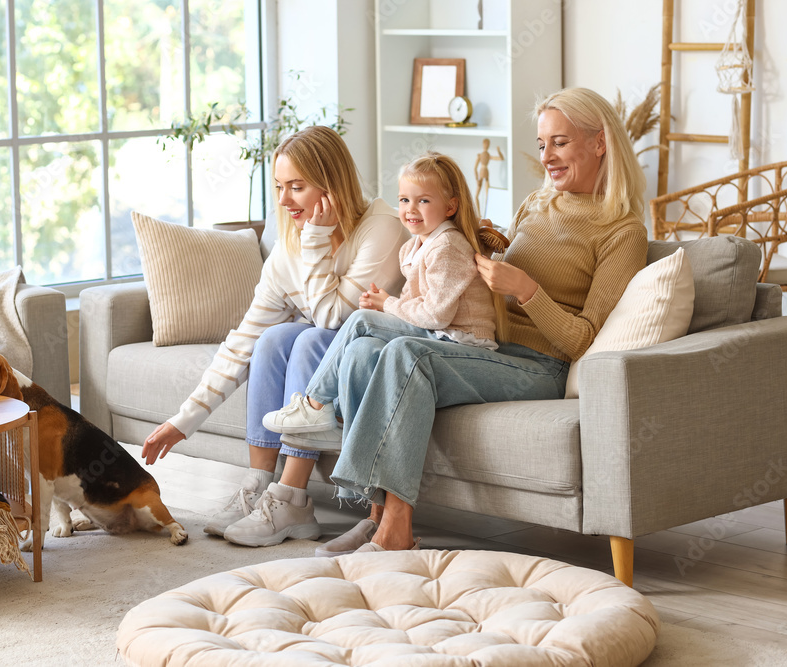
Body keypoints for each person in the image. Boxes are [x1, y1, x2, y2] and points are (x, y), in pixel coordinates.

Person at [262, 87, 649, 555]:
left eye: (560, 142)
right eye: (543, 143)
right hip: (484, 347)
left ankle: (398, 528)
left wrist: (526, 290)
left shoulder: (622, 230)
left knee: (408, 352)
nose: (547, 155)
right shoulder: (536, 205)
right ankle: (375, 515)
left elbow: (583, 339)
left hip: (539, 365)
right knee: (364, 347)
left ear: (600, 142)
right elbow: (485, 275)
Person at [140, 125, 410, 548]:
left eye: (296, 187)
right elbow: (244, 340)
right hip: (331, 361)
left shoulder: (383, 229)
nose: (283, 200)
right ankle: (260, 486)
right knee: (273, 338)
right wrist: (183, 421)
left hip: (376, 359)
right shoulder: (289, 246)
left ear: (332, 185)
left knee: (307, 339)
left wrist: (317, 240)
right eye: (280, 187)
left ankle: (292, 496)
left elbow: (334, 321)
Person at [263, 152, 504, 454]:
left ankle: (314, 404)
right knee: (363, 341)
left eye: (423, 201)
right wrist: (383, 308)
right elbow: (413, 306)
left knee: (361, 321)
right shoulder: (413, 247)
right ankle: (338, 425)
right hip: (438, 337)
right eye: (404, 200)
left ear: (451, 206)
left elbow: (436, 315)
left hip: (463, 343)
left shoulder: (448, 246)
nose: (410, 209)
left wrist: (387, 305)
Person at [473, 138, 505, 217]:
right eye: (485, 144)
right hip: (481, 174)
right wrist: (477, 179)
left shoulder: (488, 156)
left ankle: (486, 214)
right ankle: (479, 214)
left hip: (486, 174)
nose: (486, 146)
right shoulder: (480, 155)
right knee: (476, 195)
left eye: (487, 145)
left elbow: (501, 158)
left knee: (488, 195)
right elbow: (475, 168)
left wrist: (498, 151)